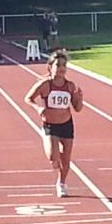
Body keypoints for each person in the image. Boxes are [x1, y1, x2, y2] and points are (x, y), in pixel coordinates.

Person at [24, 50, 84, 197]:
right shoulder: (45, 85)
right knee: (53, 157)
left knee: (66, 159)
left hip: (66, 124)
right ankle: (48, 143)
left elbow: (77, 109)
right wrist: (38, 108)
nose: (62, 68)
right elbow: (28, 98)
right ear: (51, 67)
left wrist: (79, 98)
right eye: (58, 65)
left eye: (64, 65)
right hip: (50, 125)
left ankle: (61, 183)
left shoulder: (70, 86)